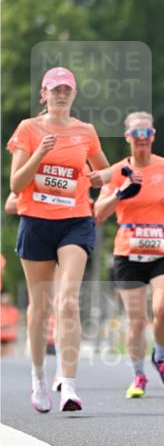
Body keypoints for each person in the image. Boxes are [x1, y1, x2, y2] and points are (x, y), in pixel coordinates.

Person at [7, 66, 110, 413]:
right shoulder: (28, 129)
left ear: (74, 94)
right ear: (44, 95)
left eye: (67, 89)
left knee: (66, 301)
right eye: (55, 89)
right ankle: (38, 379)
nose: (61, 94)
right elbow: (16, 185)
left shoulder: (86, 131)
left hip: (75, 221)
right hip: (36, 222)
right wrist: (39, 153)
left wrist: (100, 178)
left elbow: (103, 172)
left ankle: (69, 385)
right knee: (40, 308)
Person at [95, 112, 164, 398]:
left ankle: (160, 356)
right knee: (135, 320)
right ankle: (138, 376)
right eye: (137, 134)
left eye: (147, 134)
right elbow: (98, 213)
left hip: (162, 247)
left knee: (162, 310)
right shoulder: (117, 170)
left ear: (153, 136)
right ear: (128, 137)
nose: (142, 139)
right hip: (129, 251)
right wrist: (121, 192)